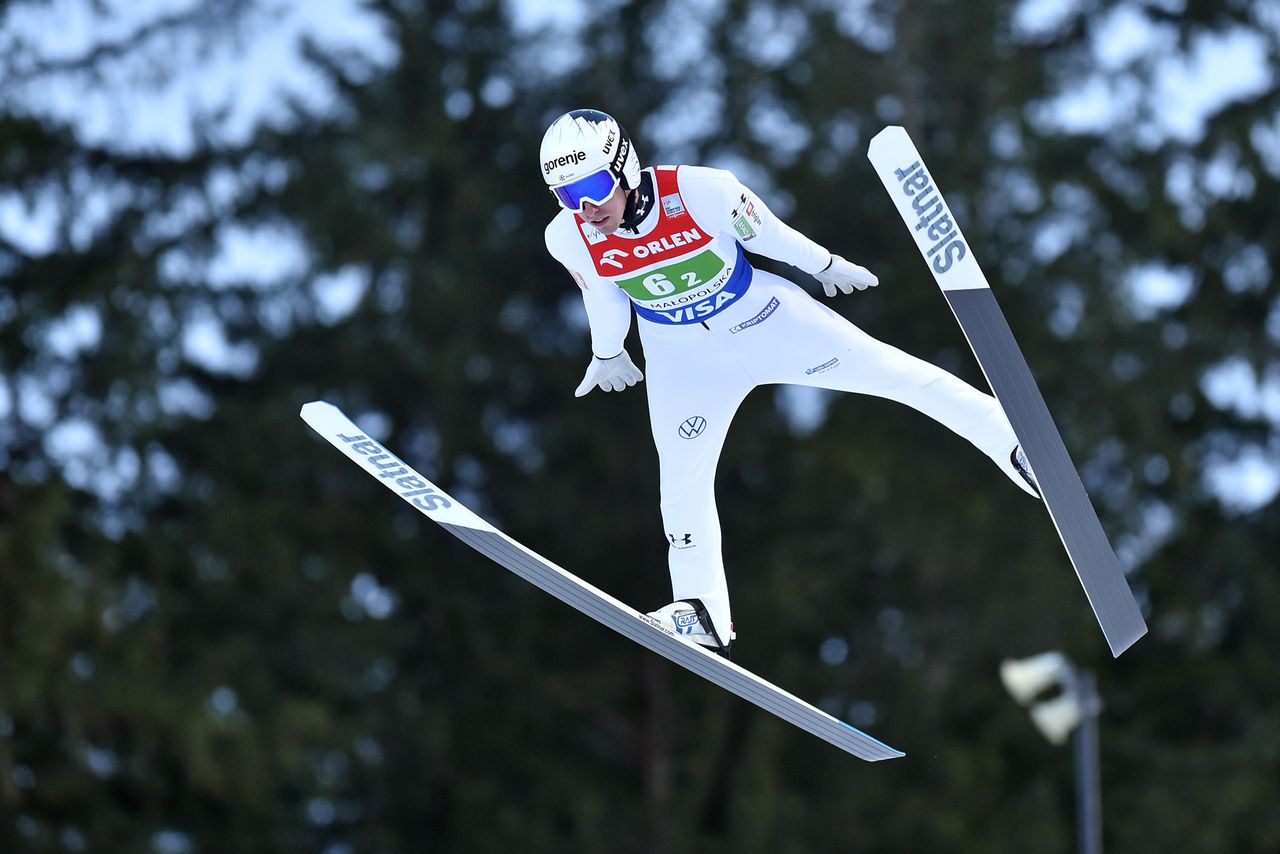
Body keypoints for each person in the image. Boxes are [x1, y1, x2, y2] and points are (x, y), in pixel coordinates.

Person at [540, 109, 1037, 658]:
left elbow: (770, 234)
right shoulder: (568, 235)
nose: (585, 208)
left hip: (765, 321)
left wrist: (823, 265)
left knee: (893, 373)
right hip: (682, 360)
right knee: (680, 480)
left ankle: (1011, 441)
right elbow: (602, 294)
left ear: (624, 167)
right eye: (566, 194)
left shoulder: (702, 191)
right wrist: (607, 353)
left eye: (591, 187)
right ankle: (703, 609)